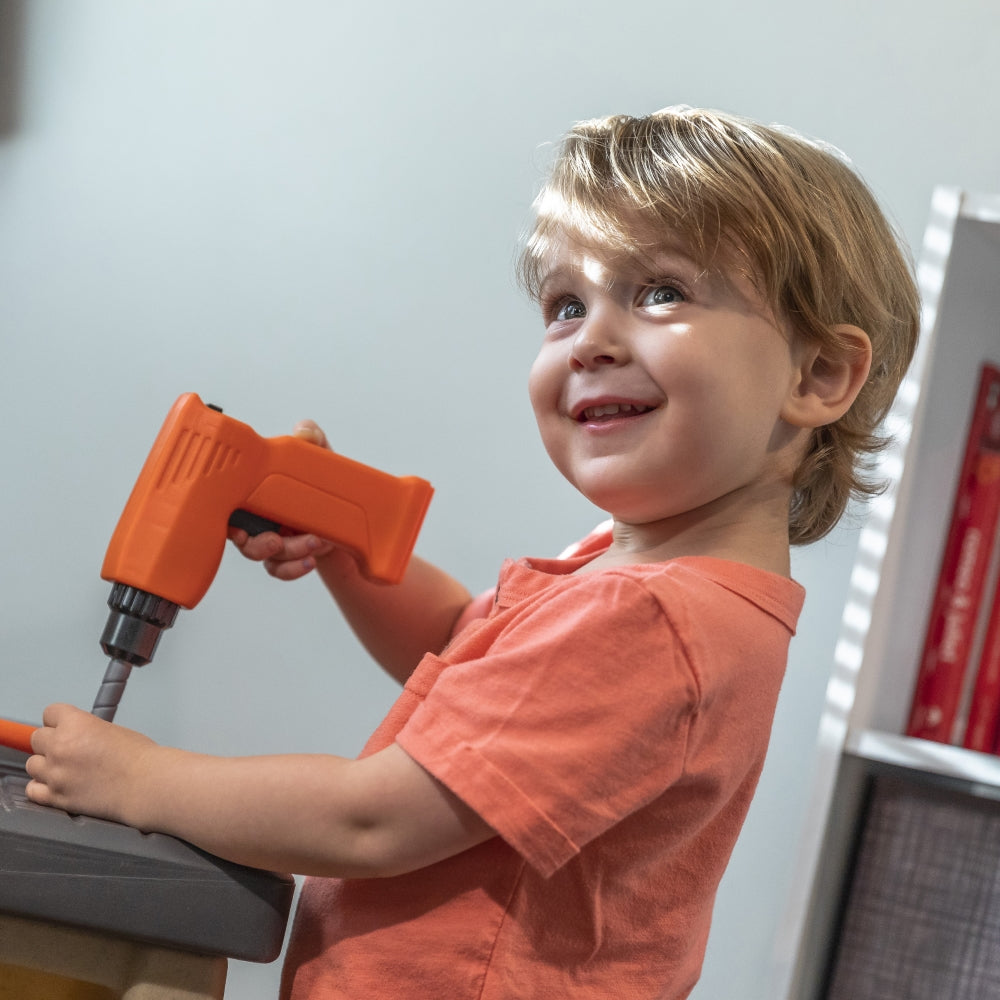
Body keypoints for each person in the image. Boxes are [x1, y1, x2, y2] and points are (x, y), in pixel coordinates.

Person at [25, 106, 920, 999]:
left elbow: (371, 820)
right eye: (567, 305)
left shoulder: (651, 620)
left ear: (818, 377)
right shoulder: (639, 578)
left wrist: (138, 780)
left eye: (661, 293)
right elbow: (463, 644)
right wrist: (349, 548)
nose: (593, 342)